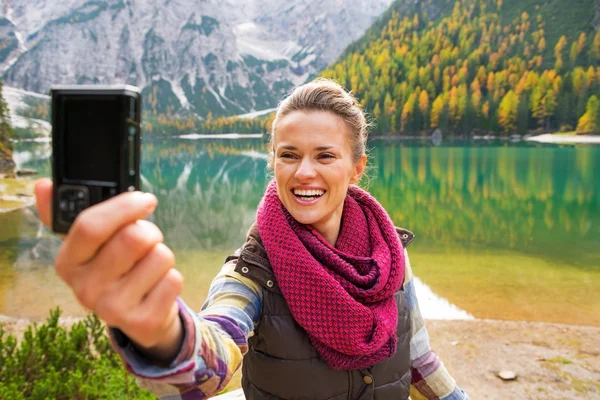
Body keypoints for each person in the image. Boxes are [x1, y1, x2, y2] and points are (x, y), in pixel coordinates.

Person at [34, 78, 469, 400]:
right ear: (273, 162)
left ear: (357, 167)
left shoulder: (388, 252)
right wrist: (162, 332)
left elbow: (417, 357)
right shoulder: (252, 269)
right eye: (289, 155)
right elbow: (216, 354)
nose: (303, 173)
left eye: (325, 155)